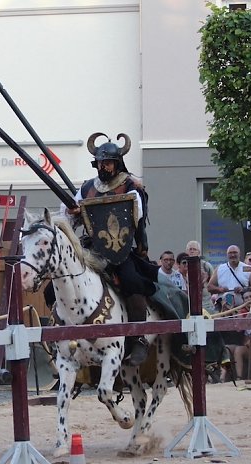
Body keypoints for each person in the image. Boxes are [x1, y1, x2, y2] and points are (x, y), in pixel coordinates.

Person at [61, 132, 152, 365]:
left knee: (132, 282)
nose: (104, 166)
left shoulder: (130, 185)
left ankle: (138, 338)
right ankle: (62, 335)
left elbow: (136, 213)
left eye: (108, 162)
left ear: (117, 163)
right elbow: (67, 216)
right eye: (101, 162)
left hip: (119, 250)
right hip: (91, 249)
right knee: (61, 282)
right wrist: (73, 211)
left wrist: (89, 208)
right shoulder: (87, 187)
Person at [207, 244, 251, 311]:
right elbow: (209, 287)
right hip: (224, 303)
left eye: (235, 252)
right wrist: (220, 289)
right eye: (230, 253)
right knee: (228, 296)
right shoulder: (220, 269)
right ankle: (229, 312)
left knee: (229, 296)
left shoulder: (248, 268)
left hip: (243, 304)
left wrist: (244, 289)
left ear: (239, 254)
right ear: (227, 255)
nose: (233, 255)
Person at [186, 240, 214, 313]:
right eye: (190, 249)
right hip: (190, 304)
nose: (192, 251)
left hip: (206, 303)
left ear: (199, 252)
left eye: (194, 249)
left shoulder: (206, 266)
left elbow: (213, 282)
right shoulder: (185, 266)